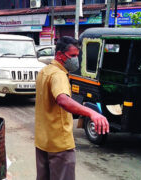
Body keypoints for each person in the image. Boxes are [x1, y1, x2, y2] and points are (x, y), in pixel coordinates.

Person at [35, 36, 109, 180]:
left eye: (77, 55)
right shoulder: (59, 75)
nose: (76, 59)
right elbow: (63, 99)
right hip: (59, 144)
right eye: (72, 56)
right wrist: (91, 113)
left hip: (43, 141)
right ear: (60, 55)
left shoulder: (45, 71)